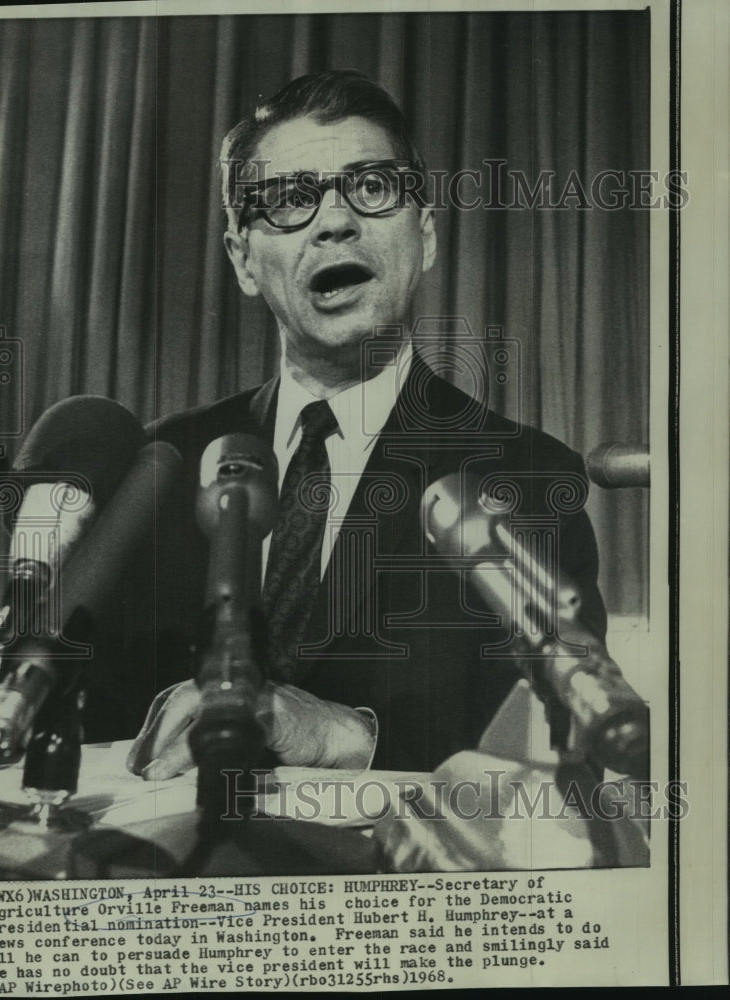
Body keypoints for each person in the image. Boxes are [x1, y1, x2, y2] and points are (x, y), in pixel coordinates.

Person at [116, 70, 606, 779]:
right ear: (243, 260)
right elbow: (91, 702)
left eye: (371, 188)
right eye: (290, 199)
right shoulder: (161, 462)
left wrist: (350, 736)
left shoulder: (524, 478)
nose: (335, 221)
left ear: (426, 235)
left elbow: (561, 744)